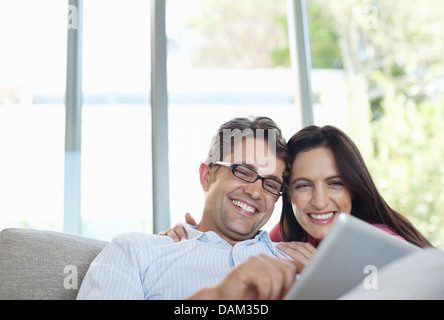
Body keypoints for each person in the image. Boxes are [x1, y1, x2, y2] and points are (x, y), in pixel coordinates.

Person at [76, 116, 303, 300]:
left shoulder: (297, 266)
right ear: (207, 176)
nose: (255, 192)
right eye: (243, 172)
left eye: (271, 184)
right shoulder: (135, 251)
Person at [164, 125, 432, 265]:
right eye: (303, 185)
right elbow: (240, 244)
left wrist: (323, 276)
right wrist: (190, 235)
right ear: (287, 193)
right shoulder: (293, 233)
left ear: (354, 187)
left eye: (335, 183)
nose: (319, 201)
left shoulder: (380, 244)